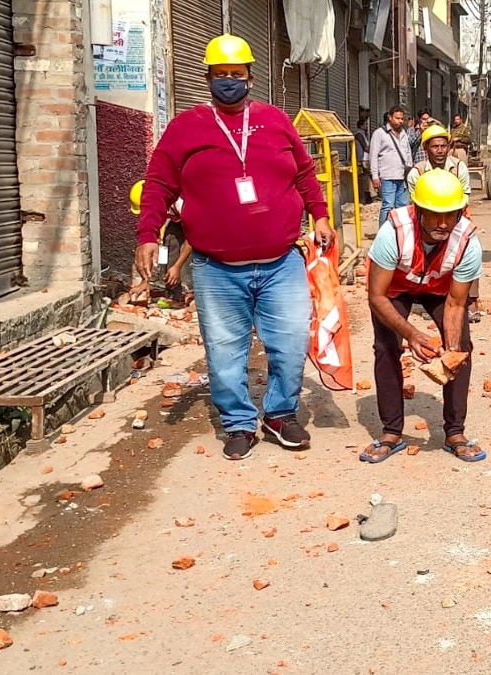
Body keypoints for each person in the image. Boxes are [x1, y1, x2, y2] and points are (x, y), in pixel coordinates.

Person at [135, 34, 334, 460]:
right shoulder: (185, 128)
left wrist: (319, 215)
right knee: (225, 351)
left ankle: (280, 414)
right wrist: (148, 235)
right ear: (208, 78)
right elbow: (158, 184)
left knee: (291, 342)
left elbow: (304, 173)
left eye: (236, 74)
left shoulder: (274, 120)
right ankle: (239, 423)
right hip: (217, 268)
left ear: (250, 78)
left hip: (281, 262)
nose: (229, 81)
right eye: (221, 74)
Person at [361, 170, 484, 463]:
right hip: (394, 290)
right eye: (434, 215)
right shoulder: (393, 232)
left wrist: (451, 350)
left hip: (440, 289)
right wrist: (412, 335)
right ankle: (391, 431)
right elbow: (376, 296)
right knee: (387, 346)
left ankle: (455, 432)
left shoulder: (468, 242)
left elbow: (456, 303)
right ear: (418, 210)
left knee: (461, 350)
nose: (443, 223)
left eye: (451, 215)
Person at [129, 179, 191, 290]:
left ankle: (188, 289)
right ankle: (170, 286)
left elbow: (192, 238)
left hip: (200, 226)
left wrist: (177, 266)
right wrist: (145, 280)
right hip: (178, 221)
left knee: (192, 255)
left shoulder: (181, 202)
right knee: (169, 242)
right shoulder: (161, 205)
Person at [369, 105, 414, 227]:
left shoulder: (404, 133)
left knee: (402, 206)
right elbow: (373, 155)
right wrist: (375, 176)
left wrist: (410, 170)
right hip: (387, 176)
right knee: (388, 206)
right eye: (397, 118)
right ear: (390, 118)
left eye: (402, 119)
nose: (400, 121)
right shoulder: (379, 133)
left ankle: (400, 232)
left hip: (402, 177)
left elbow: (408, 153)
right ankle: (383, 232)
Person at [406, 124, 471, 194]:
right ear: (425, 148)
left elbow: (465, 195)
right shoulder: (417, 173)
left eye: (443, 146)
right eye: (435, 146)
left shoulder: (459, 168)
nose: (440, 151)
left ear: (448, 148)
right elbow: (414, 198)